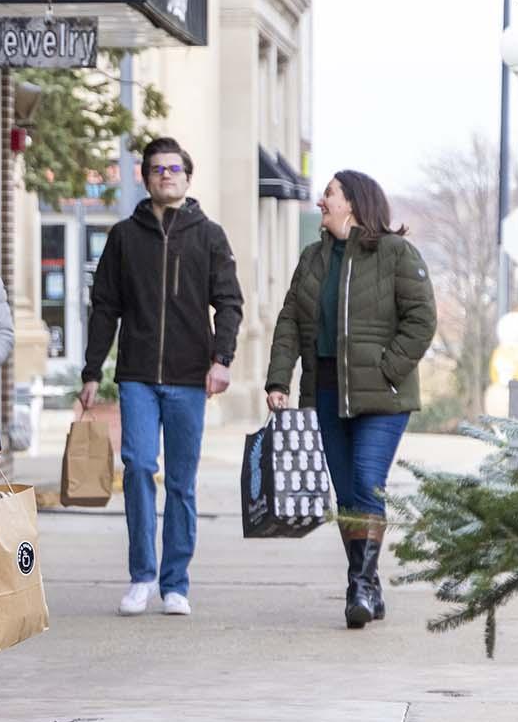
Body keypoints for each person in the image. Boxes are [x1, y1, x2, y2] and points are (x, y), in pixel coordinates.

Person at [81, 137, 243, 618]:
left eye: (174, 168)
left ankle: (176, 582)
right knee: (135, 466)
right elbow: (104, 308)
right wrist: (92, 370)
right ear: (145, 177)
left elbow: (229, 303)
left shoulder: (210, 236)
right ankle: (141, 577)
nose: (165, 175)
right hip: (136, 375)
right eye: (156, 168)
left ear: (188, 177)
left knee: (181, 483)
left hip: (191, 376)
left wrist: (223, 359)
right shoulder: (124, 238)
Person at [266, 170, 435, 629]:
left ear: (354, 204)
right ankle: (369, 583)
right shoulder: (313, 258)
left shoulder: (395, 253)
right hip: (326, 392)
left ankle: (358, 584)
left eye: (329, 194)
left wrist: (387, 369)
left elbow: (422, 319)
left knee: (365, 482)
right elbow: (288, 323)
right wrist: (278, 380)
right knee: (347, 496)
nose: (321, 202)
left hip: (382, 398)